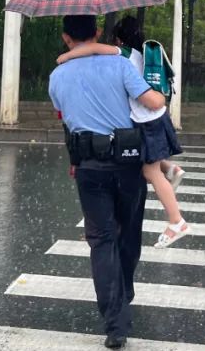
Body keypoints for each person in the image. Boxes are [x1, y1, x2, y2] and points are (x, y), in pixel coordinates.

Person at [49, 14, 167, 350]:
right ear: (98, 31)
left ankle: (114, 321)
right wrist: (162, 93)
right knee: (128, 233)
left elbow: (66, 122)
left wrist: (75, 159)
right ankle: (124, 288)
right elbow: (152, 102)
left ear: (65, 38)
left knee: (101, 240)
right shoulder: (121, 67)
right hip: (127, 163)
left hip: (88, 166)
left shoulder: (57, 76)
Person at [58, 15, 191, 248]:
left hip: (147, 120)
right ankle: (171, 168)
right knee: (144, 159)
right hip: (152, 120)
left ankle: (177, 221)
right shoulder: (140, 56)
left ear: (119, 40)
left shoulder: (125, 54)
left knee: (150, 173)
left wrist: (68, 56)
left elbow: (95, 48)